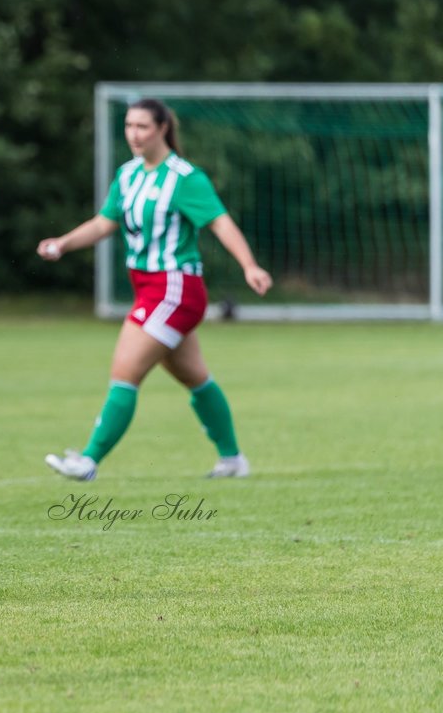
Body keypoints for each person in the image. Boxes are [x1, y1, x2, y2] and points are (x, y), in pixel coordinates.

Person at [36, 98, 273, 481]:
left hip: (175, 289)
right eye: (129, 126)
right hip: (147, 289)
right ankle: (233, 460)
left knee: (125, 370)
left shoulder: (184, 177)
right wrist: (63, 243)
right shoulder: (128, 175)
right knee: (195, 377)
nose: (134, 134)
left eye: (142, 126)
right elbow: (103, 223)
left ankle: (88, 460)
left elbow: (221, 223)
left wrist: (249, 265)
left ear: (163, 128)